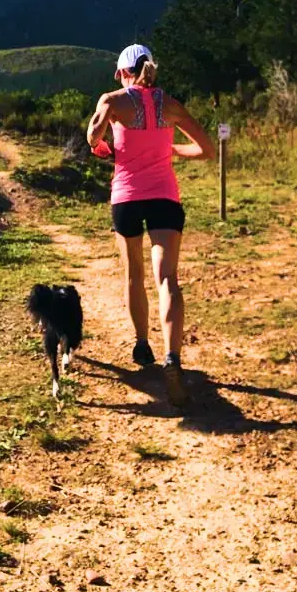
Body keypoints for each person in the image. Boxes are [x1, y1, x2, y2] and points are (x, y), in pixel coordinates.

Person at [86, 44, 215, 406]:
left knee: (133, 274)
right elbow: (206, 150)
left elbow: (92, 138)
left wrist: (102, 145)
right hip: (164, 197)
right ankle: (172, 357)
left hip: (126, 197)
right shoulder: (170, 105)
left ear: (121, 73)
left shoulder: (111, 101)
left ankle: (143, 344)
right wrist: (171, 150)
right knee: (167, 279)